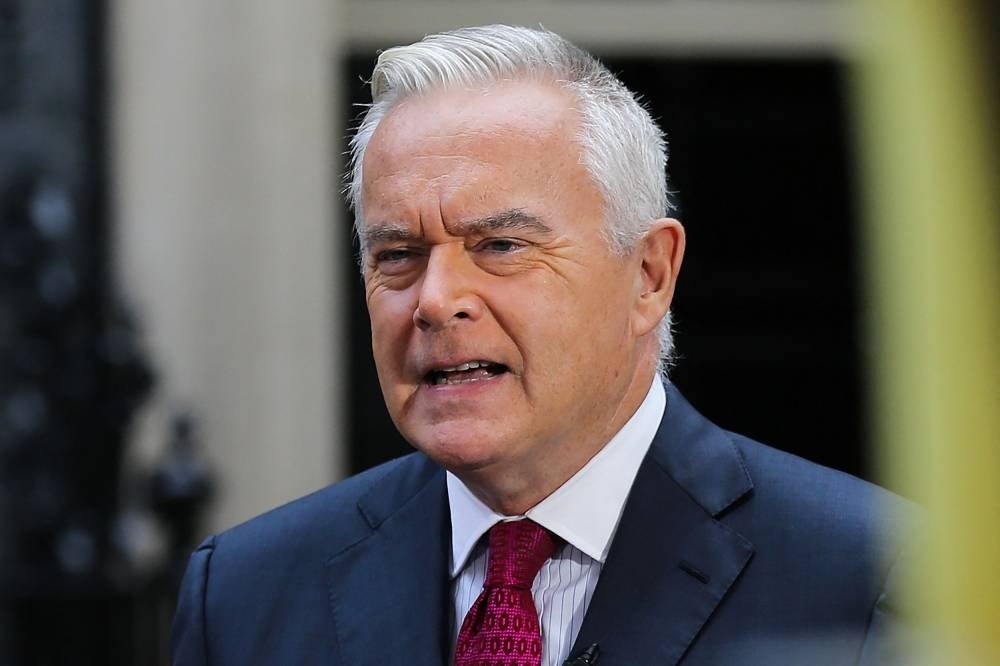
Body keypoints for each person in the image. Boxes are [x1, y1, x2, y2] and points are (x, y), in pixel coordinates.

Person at [172, 25, 910, 666]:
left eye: (499, 244)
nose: (434, 300)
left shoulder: (879, 576)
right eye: (396, 254)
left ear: (649, 276)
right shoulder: (246, 595)